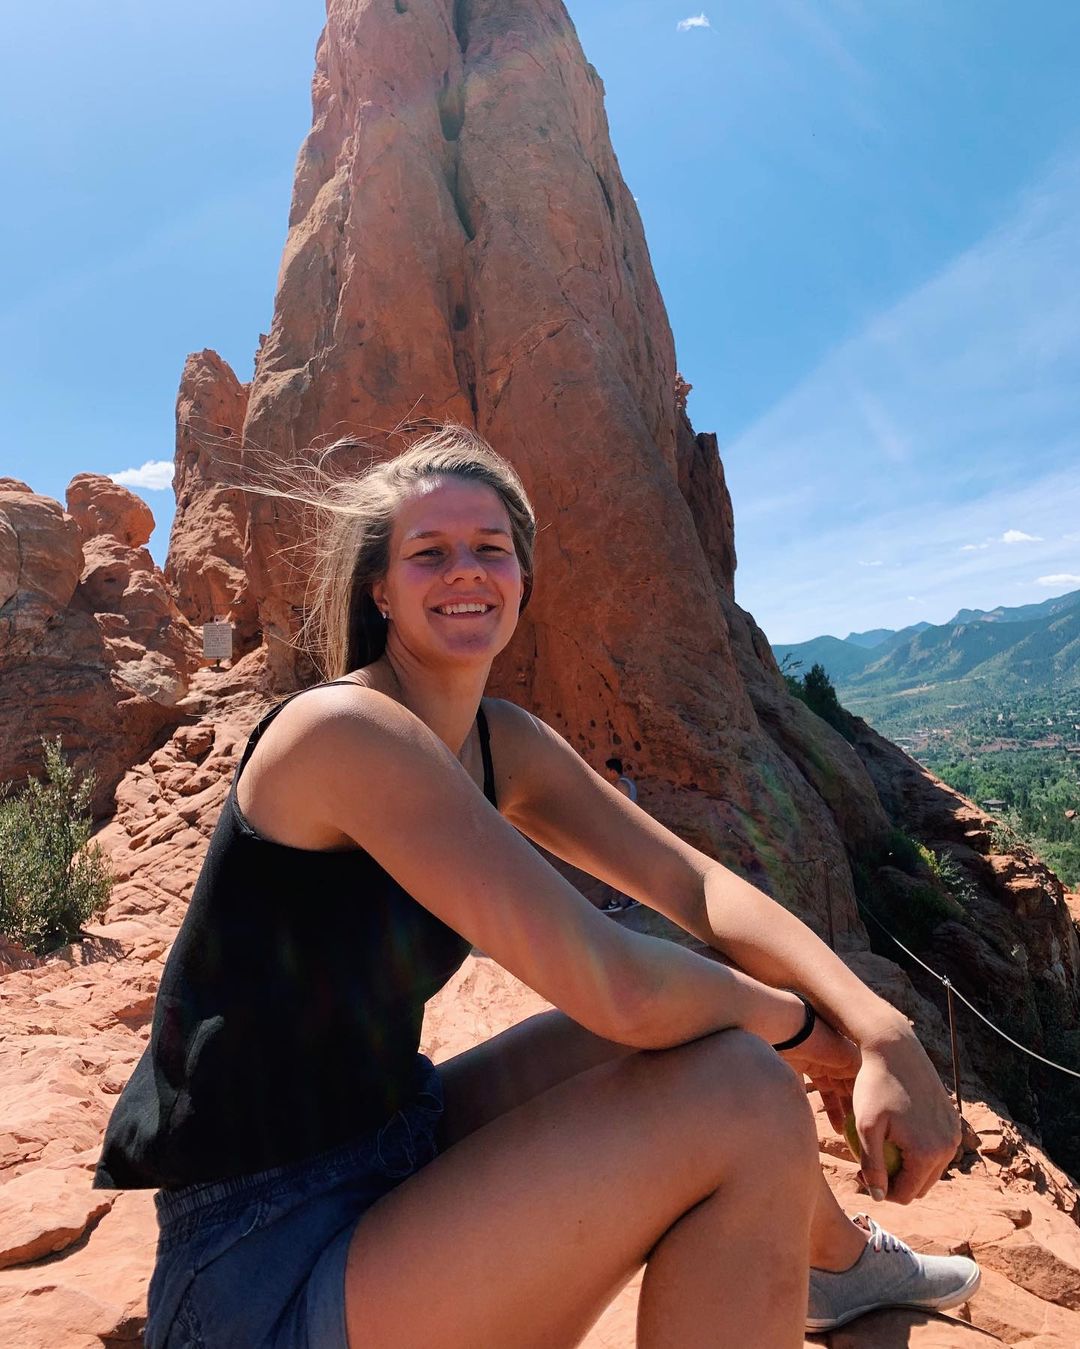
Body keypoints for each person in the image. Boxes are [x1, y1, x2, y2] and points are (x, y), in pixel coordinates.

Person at [94, 426, 979, 1348]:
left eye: (490, 548)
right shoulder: (342, 729)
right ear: (380, 590)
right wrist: (814, 1037)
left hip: (394, 1142)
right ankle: (819, 1250)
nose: (465, 570)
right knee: (743, 1084)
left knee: (701, 1019)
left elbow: (697, 886)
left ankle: (829, 1261)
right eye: (428, 552)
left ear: (522, 577)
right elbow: (620, 986)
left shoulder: (498, 741)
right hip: (261, 1260)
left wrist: (879, 1026)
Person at [600, 759, 640, 912]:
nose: (605, 773)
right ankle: (634, 898)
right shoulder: (630, 784)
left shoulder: (621, 785)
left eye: (607, 770)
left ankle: (614, 903)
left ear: (613, 771)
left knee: (616, 868)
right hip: (630, 830)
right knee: (625, 867)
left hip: (623, 832)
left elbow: (619, 809)